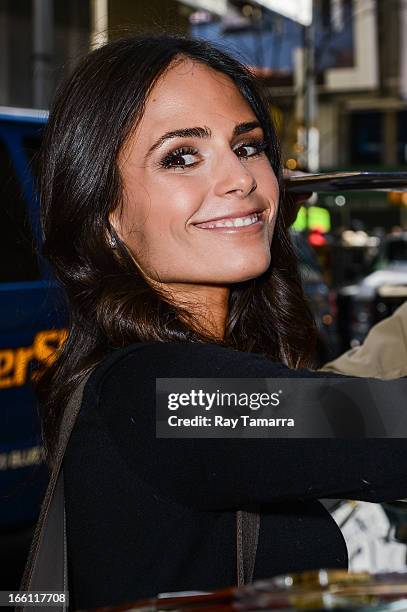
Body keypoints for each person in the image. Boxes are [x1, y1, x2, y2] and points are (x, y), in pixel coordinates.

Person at [33, 33, 407, 608]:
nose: (240, 178)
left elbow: (348, 401)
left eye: (249, 146)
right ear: (106, 215)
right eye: (182, 157)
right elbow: (389, 427)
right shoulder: (153, 393)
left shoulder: (193, 384)